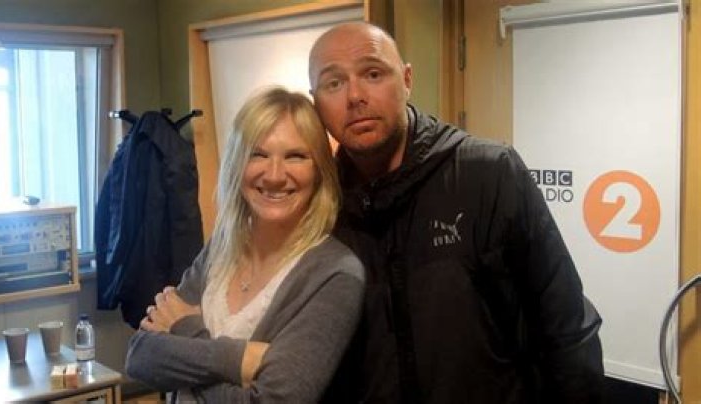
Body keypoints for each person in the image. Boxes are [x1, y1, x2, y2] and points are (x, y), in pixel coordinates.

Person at [308, 22, 604, 403]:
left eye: (373, 74)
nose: (355, 96)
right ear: (315, 102)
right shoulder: (321, 206)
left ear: (407, 79)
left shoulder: (488, 173)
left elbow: (566, 327)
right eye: (333, 83)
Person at [125, 86, 365, 403]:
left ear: (319, 170)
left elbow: (274, 401)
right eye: (258, 154)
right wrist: (241, 360)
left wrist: (187, 329)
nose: (275, 175)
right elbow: (140, 356)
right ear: (237, 164)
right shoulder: (222, 246)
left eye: (295, 156)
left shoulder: (335, 274)